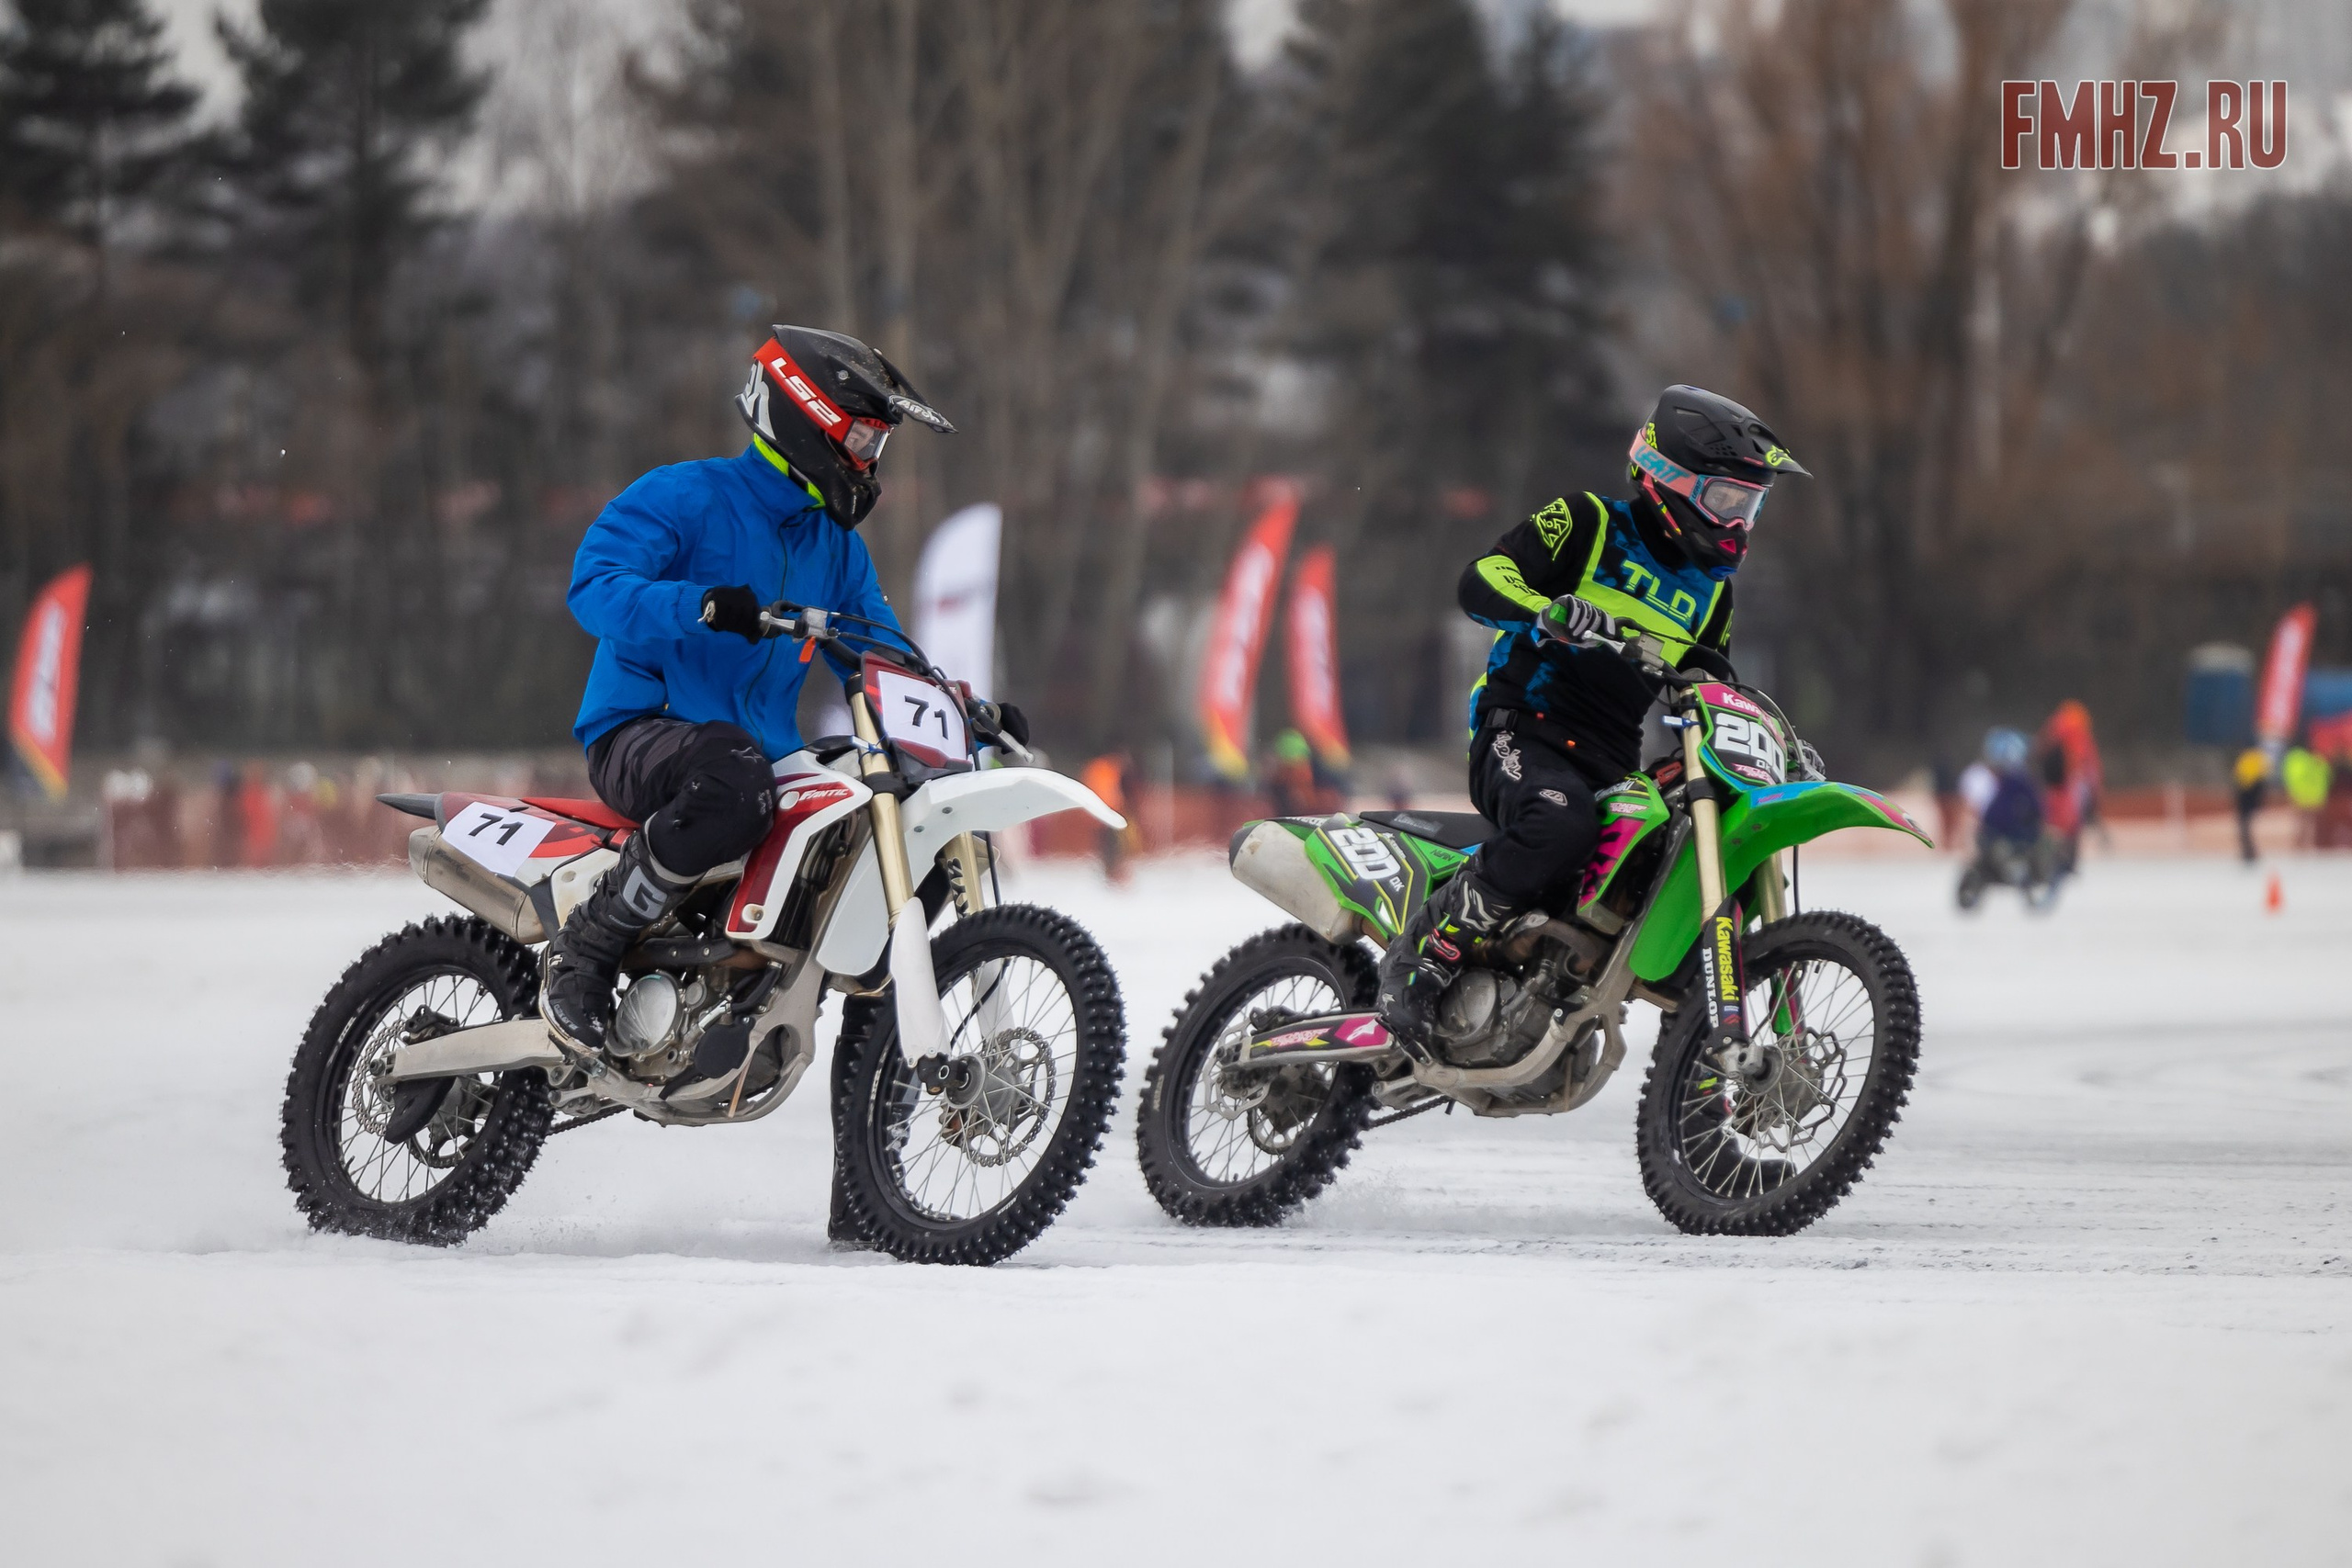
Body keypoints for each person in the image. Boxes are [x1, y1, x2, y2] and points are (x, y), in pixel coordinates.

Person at [542, 324, 968, 1060]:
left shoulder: (836, 547)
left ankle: (832, 1012)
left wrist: (961, 707)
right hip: (640, 731)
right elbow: (593, 587)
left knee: (898, 802)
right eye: (863, 440)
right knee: (736, 779)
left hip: (761, 754)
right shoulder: (685, 495)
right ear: (808, 420)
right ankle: (586, 949)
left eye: (877, 446)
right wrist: (701, 605)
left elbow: (885, 653)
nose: (870, 461)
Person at [1374, 386, 1808, 1055]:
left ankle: (1701, 1058)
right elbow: (1481, 578)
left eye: (1751, 505)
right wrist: (1545, 609)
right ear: (1671, 480)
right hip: (1522, 728)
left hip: (1610, 760)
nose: (1739, 522)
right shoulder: (1590, 522)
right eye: (1727, 500)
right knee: (1560, 821)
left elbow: (1714, 692)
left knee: (1677, 850)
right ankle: (1424, 952)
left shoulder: (1714, 595)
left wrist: (1776, 744)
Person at [2281, 744, 2330, 851]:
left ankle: (2303, 844)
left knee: (2306, 822)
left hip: (2305, 796)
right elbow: (2325, 776)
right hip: (2311, 796)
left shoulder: (2298, 758)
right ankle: (2303, 844)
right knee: (2306, 822)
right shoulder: (2316, 760)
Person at [2232, 745, 2268, 864]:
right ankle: (2249, 852)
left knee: (2244, 828)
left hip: (2246, 803)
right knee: (2246, 828)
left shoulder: (2247, 763)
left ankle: (2249, 852)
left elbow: (2240, 783)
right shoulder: (2257, 763)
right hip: (2248, 803)